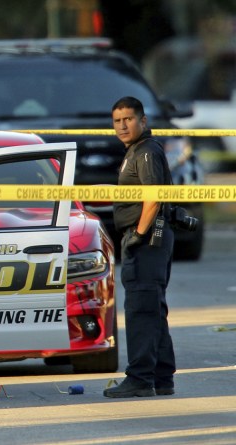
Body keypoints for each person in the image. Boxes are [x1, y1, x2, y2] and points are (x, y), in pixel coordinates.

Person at [103, 96, 176, 398]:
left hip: (147, 239)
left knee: (141, 309)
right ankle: (161, 376)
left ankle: (140, 379)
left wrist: (139, 234)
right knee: (152, 308)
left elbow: (153, 196)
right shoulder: (136, 151)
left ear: (143, 121)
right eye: (117, 121)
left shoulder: (145, 151)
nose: (122, 125)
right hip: (148, 237)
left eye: (128, 119)